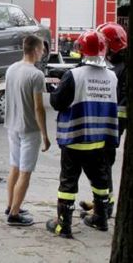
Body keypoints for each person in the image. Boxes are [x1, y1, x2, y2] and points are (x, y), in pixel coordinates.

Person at [46, 30, 119, 239]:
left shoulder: (74, 75)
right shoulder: (112, 76)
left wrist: (56, 88)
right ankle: (101, 220)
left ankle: (63, 226)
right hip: (100, 141)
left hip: (75, 139)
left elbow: (57, 102)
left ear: (80, 50)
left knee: (68, 183)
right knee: (100, 181)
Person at [80, 22, 128, 218]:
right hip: (112, 121)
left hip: (112, 121)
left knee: (101, 161)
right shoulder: (118, 64)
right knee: (102, 161)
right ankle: (102, 201)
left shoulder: (118, 68)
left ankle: (104, 208)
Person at [4, 34, 50, 226]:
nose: (43, 54)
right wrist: (45, 135)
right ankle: (14, 214)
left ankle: (10, 205)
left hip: (12, 126)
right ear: (36, 50)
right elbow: (39, 108)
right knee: (25, 172)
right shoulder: (36, 75)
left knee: (14, 167)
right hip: (29, 129)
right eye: (42, 50)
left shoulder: (11, 69)